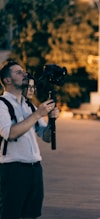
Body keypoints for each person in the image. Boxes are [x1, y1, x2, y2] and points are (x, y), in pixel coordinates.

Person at [0, 60, 59, 219]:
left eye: (23, 71)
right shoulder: (2, 104)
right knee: (10, 214)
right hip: (13, 168)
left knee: (31, 215)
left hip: (34, 169)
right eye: (18, 72)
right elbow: (10, 134)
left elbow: (45, 137)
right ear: (7, 80)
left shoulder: (29, 105)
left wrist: (52, 121)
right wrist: (38, 114)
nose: (24, 74)